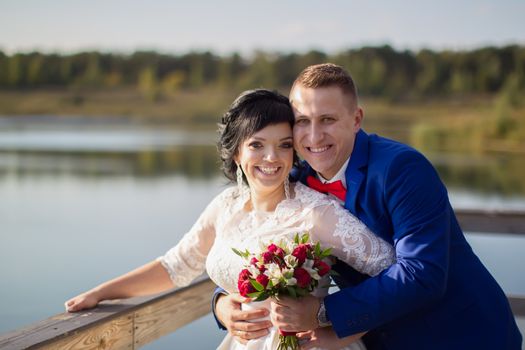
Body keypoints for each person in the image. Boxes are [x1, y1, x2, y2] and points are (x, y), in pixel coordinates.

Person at [213, 64, 522, 349]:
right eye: (302, 122)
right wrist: (222, 304)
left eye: (328, 120)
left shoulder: (402, 169)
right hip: (379, 339)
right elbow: (257, 237)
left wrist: (323, 312)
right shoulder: (297, 179)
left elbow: (422, 274)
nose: (313, 135)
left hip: (459, 334)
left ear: (357, 119)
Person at [64, 89, 396, 350]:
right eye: (257, 145)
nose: (271, 158)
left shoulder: (316, 213)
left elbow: (393, 276)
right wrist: (102, 292)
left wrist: (330, 324)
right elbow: (175, 267)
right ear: (237, 152)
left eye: (283, 145)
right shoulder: (226, 206)